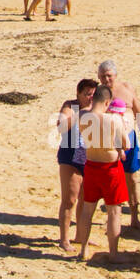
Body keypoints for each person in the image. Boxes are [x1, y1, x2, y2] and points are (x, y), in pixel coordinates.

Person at [72, 85, 132, 263]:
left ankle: (83, 249)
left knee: (87, 210)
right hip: (110, 167)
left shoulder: (82, 117)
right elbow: (126, 144)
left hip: (91, 164)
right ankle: (113, 253)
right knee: (114, 212)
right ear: (107, 102)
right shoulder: (113, 120)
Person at [97, 60, 140, 230]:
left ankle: (134, 217)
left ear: (115, 75)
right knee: (111, 180)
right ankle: (112, 218)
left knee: (131, 179)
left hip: (130, 139)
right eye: (102, 76)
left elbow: (139, 113)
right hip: (108, 142)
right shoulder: (98, 94)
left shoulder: (127, 88)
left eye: (109, 75)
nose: (106, 79)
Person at [56, 79, 98, 252]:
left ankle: (81, 236)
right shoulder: (71, 106)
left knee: (85, 199)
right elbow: (60, 126)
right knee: (70, 198)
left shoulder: (97, 108)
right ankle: (64, 239)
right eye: (87, 94)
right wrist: (79, 115)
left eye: (93, 94)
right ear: (78, 94)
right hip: (70, 157)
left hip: (89, 157)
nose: (90, 98)